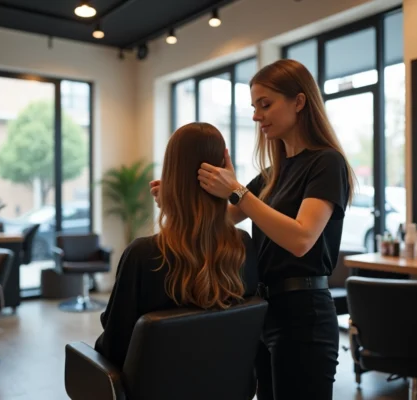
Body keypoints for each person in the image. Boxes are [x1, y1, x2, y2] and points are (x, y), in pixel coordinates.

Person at [151, 59, 355, 399]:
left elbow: (302, 238)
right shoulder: (272, 174)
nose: (256, 116)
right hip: (263, 310)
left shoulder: (326, 162)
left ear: (299, 102)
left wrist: (239, 191)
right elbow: (224, 219)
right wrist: (175, 199)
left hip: (306, 314)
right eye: (254, 107)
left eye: (265, 104)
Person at [95, 122, 259, 371]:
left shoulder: (143, 255)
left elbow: (114, 348)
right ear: (225, 172)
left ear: (170, 175)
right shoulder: (242, 246)